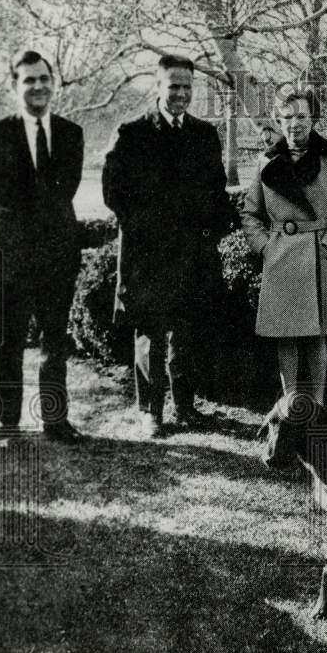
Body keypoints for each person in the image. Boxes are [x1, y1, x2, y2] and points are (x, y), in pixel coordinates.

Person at [102, 54, 236, 438]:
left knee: (187, 331)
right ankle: (151, 411)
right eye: (173, 86)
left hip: (193, 254)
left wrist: (213, 230)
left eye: (186, 87)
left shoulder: (204, 134)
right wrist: (152, 228)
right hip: (148, 254)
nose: (180, 94)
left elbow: (215, 192)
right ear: (158, 87)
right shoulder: (131, 134)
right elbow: (114, 193)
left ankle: (186, 408)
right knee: (151, 332)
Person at [0, 50, 85, 443]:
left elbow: (64, 191)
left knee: (55, 341)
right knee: (10, 343)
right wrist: (15, 230)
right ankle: (9, 425)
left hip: (57, 255)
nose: (38, 87)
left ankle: (55, 421)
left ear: (53, 82)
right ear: (15, 86)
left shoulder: (71, 133)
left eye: (43, 78)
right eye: (28, 80)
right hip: (11, 257)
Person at [240, 90, 327, 408]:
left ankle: (316, 405)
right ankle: (291, 404)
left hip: (317, 254)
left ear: (314, 119)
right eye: (287, 117)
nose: (295, 124)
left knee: (317, 336)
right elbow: (250, 213)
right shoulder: (266, 161)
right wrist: (265, 246)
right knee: (286, 336)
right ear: (278, 121)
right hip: (280, 255)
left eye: (302, 116)